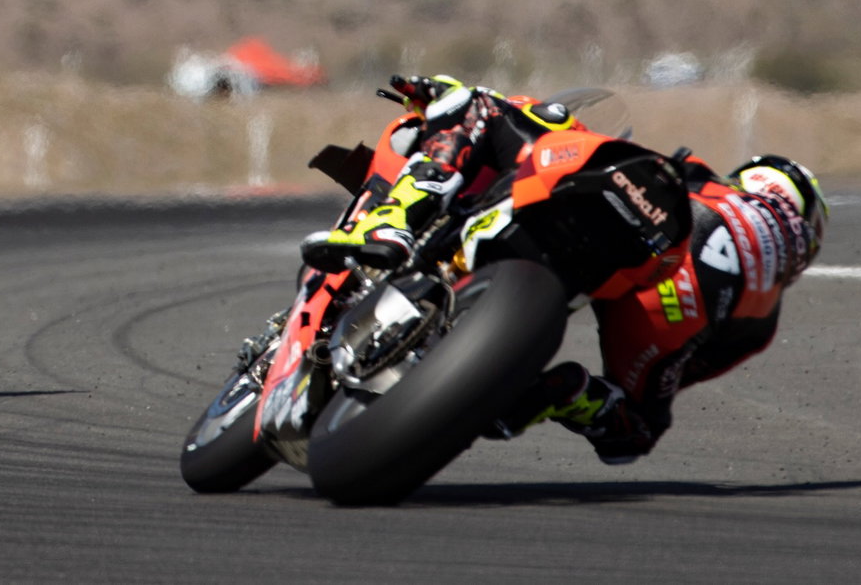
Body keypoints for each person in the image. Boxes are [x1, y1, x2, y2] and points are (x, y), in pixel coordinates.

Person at [300, 74, 827, 465]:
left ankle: (394, 223)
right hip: (675, 304)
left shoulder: (718, 186)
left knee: (472, 103)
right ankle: (568, 395)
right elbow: (672, 390)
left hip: (668, 232)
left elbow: (641, 169)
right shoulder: (765, 314)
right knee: (635, 430)